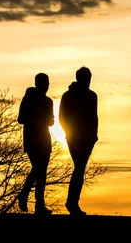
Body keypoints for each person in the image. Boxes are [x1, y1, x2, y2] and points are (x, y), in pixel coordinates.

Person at [59, 66, 98, 216]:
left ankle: (72, 203)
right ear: (79, 78)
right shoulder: (68, 96)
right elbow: (62, 117)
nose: (88, 81)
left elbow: (94, 117)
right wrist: (70, 133)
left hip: (88, 138)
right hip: (74, 137)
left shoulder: (92, 96)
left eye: (89, 78)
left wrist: (94, 135)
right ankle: (72, 203)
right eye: (86, 78)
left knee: (80, 168)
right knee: (79, 168)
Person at [17, 72, 54, 216]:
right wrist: (37, 117)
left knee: (41, 173)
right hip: (32, 139)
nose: (45, 87)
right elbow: (21, 119)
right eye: (43, 84)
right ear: (37, 84)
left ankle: (38, 204)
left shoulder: (49, 101)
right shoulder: (28, 99)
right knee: (38, 170)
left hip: (44, 139)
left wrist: (48, 119)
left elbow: (50, 122)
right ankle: (27, 196)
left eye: (47, 85)